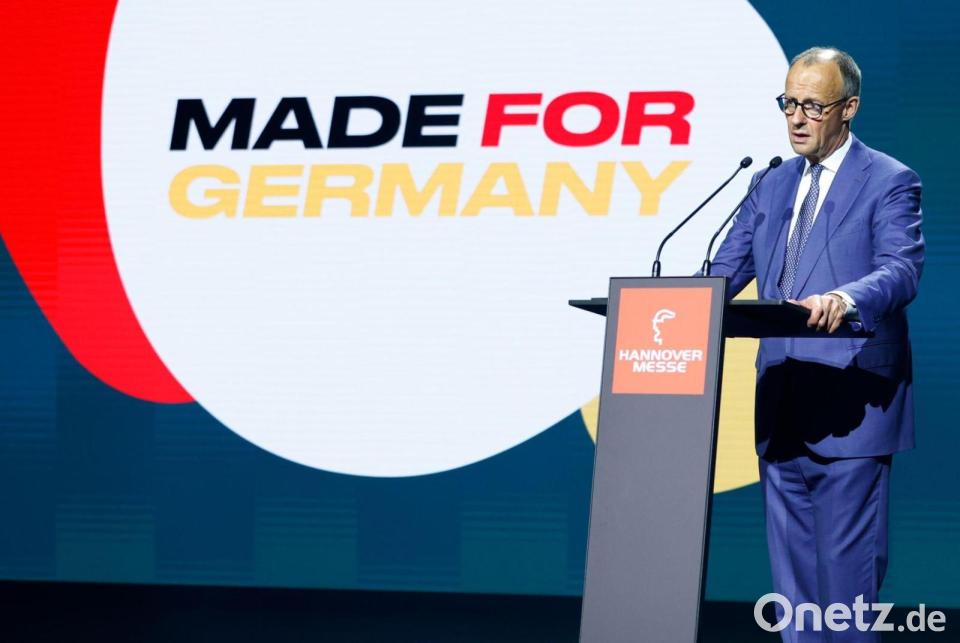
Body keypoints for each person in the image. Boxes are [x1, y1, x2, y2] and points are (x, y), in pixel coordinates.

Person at [709, 46, 924, 642]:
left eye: (813, 106)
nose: (797, 118)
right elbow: (721, 274)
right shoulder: (769, 184)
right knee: (797, 598)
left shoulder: (890, 180)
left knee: (846, 597)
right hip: (781, 408)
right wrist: (669, 304)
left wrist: (846, 299)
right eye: (789, 103)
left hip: (851, 406)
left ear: (848, 108)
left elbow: (901, 270)